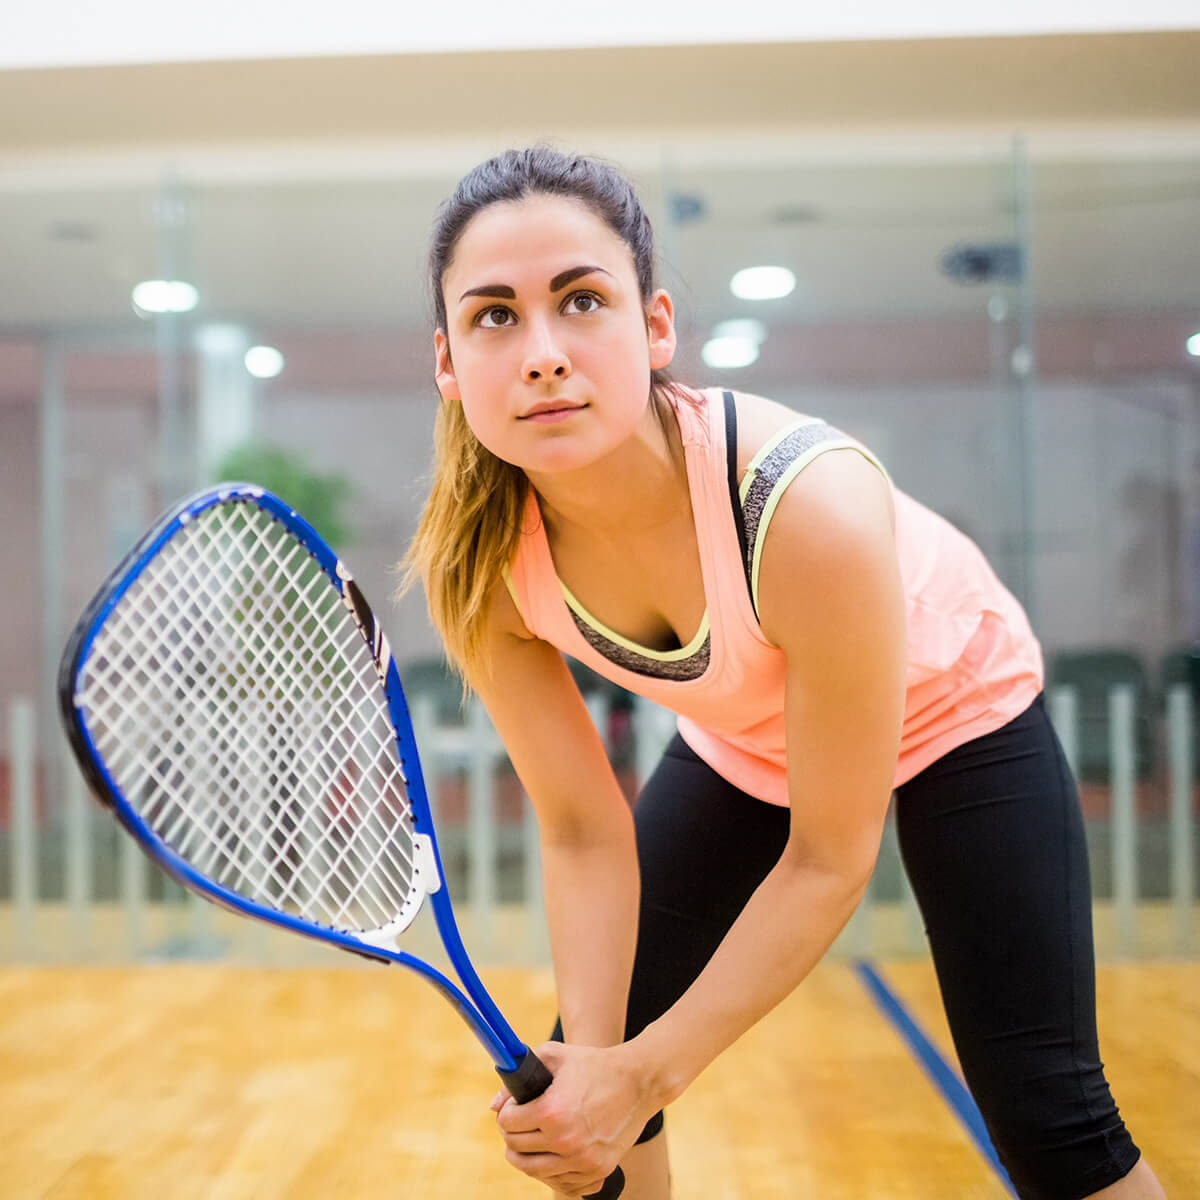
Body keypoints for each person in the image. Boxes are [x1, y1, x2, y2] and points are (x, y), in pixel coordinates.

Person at [403, 146, 1165, 1200]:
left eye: (582, 300)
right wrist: (601, 1066)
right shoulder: (480, 570)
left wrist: (643, 1075)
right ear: (447, 363)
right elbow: (582, 829)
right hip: (746, 744)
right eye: (494, 316)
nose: (541, 352)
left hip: (958, 710)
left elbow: (827, 860)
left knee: (1047, 1114)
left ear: (655, 325)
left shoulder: (806, 507)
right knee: (599, 1082)